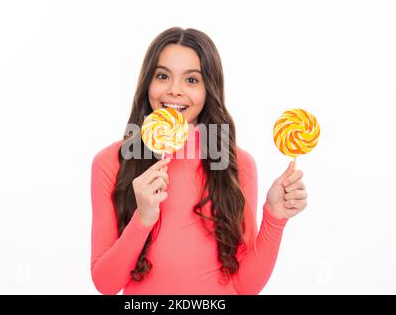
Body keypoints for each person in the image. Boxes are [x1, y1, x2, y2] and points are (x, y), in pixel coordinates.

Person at [90, 27, 308, 295]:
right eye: (162, 76)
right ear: (147, 82)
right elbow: (105, 284)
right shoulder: (112, 162)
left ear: (209, 89)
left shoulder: (236, 164)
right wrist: (142, 219)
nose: (174, 91)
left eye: (191, 80)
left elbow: (245, 286)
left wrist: (275, 216)